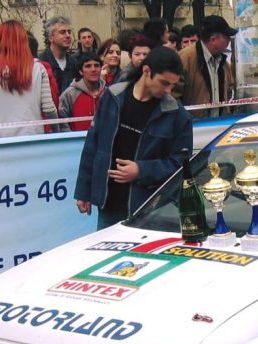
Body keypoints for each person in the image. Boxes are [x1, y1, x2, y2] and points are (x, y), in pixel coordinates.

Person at [74, 47, 192, 230]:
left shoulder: (177, 115)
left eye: (172, 85)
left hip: (150, 210)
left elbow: (181, 165)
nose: (168, 90)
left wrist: (141, 170)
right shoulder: (113, 97)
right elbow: (93, 145)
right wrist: (84, 190)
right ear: (146, 71)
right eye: (164, 83)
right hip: (108, 206)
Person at [0, 20, 59, 139]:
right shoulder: (38, 68)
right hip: (28, 138)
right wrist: (56, 131)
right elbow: (49, 108)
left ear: (1, 40)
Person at [179, 15, 236, 117]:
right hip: (193, 124)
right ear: (213, 39)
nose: (229, 40)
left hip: (220, 124)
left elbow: (229, 92)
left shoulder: (223, 63)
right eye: (226, 37)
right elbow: (173, 96)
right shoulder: (185, 58)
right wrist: (185, 120)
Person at [59, 52, 105, 131]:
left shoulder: (108, 93)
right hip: (77, 138)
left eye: (97, 66)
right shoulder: (69, 94)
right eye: (88, 66)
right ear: (81, 71)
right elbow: (62, 123)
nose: (93, 69)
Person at [39, 16, 79, 95]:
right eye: (62, 32)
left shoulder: (74, 62)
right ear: (51, 38)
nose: (68, 35)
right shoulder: (41, 62)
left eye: (69, 32)